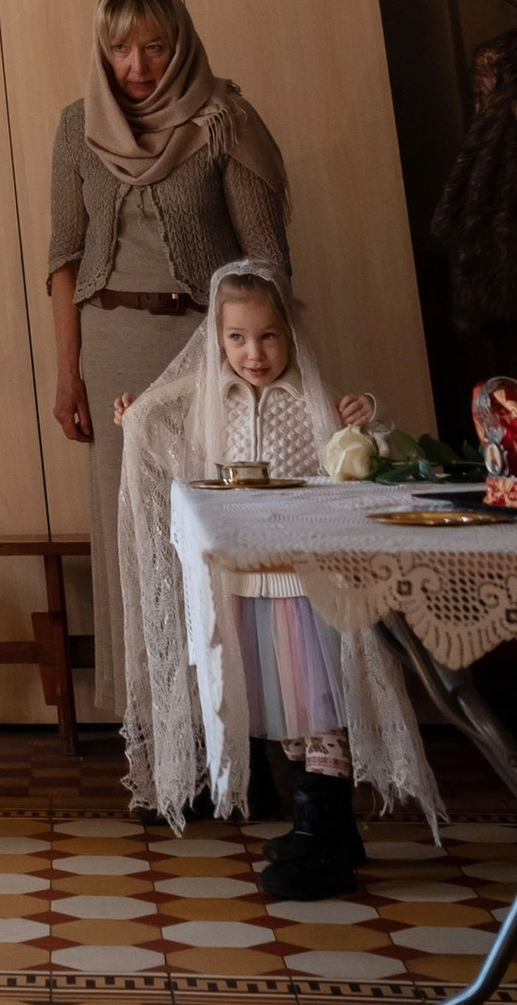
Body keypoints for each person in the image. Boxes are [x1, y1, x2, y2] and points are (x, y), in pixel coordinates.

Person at [116, 257, 434, 889]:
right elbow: (186, 465)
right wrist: (136, 420)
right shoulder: (213, 401)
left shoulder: (313, 400)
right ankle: (322, 826)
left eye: (267, 337)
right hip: (249, 583)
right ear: (217, 339)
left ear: (291, 336)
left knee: (321, 705)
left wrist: (372, 416)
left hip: (311, 585)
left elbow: (371, 461)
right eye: (236, 338)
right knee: (287, 709)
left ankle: (325, 829)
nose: (253, 353)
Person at [45, 0, 290, 721]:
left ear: (179, 42)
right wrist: (67, 377)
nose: (138, 65)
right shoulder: (76, 126)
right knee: (138, 539)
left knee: (213, 533)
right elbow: (64, 257)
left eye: (154, 45)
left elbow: (266, 261)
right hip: (112, 349)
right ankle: (158, 742)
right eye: (120, 48)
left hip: (206, 350)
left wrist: (250, 362)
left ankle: (239, 733)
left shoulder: (225, 121)